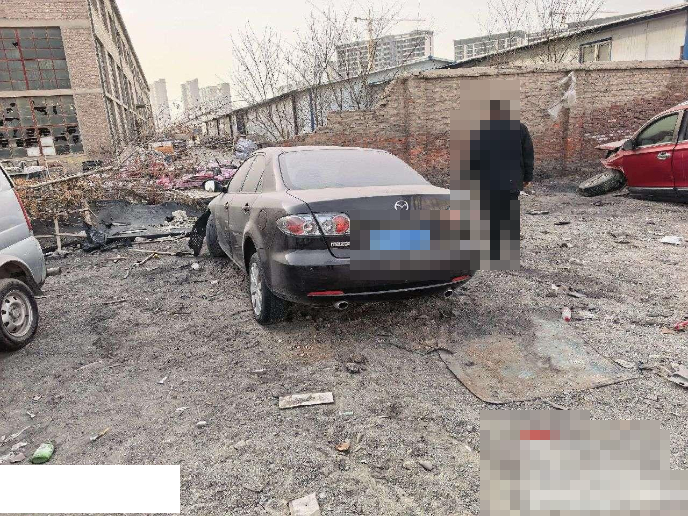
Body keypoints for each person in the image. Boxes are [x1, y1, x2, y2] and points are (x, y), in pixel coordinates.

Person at [520, 121, 534, 192]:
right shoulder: (521, 128)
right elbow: (528, 154)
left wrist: (528, 177)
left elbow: (528, 153)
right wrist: (528, 177)